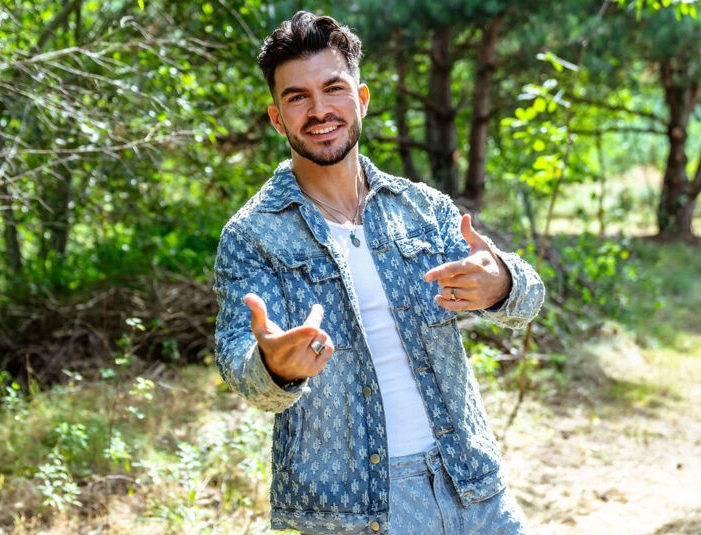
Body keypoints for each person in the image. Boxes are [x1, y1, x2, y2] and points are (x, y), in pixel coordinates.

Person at [213, 11, 545, 535]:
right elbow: (241, 365)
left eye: (333, 88)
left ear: (361, 99)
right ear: (277, 118)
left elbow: (528, 298)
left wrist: (502, 281)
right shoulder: (253, 235)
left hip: (473, 483)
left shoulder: (421, 207)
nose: (319, 110)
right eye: (297, 97)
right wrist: (275, 366)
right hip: (359, 510)